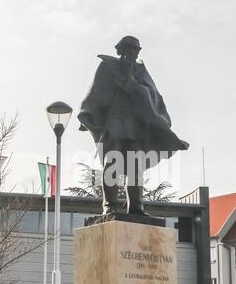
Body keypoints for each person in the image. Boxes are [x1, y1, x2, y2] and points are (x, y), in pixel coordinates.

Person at [78, 36, 189, 215]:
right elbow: (97, 90)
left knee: (135, 167)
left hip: (135, 127)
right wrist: (89, 114)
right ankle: (110, 206)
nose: (135, 52)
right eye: (131, 48)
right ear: (121, 50)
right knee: (112, 164)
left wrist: (134, 87)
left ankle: (136, 208)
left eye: (137, 49)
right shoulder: (108, 66)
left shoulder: (140, 70)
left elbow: (153, 93)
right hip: (115, 123)